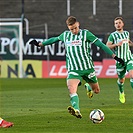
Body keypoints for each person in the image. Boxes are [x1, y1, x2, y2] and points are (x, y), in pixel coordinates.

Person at [29, 16, 124, 118]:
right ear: (68, 28)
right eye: (71, 29)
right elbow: (54, 39)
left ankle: (88, 86)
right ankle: (76, 109)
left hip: (88, 68)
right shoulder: (65, 35)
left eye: (75, 28)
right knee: (71, 88)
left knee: (96, 91)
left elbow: (101, 45)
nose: (74, 31)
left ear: (78, 24)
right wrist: (40, 44)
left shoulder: (86, 33)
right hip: (73, 69)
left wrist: (115, 56)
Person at [106, 17, 133, 103]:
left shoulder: (126, 33)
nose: (118, 24)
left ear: (123, 24)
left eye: (119, 23)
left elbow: (129, 42)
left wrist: (130, 43)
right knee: (121, 80)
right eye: (116, 23)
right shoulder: (113, 35)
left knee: (132, 75)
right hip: (120, 61)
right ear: (114, 25)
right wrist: (116, 44)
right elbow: (107, 46)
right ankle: (121, 92)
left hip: (129, 58)